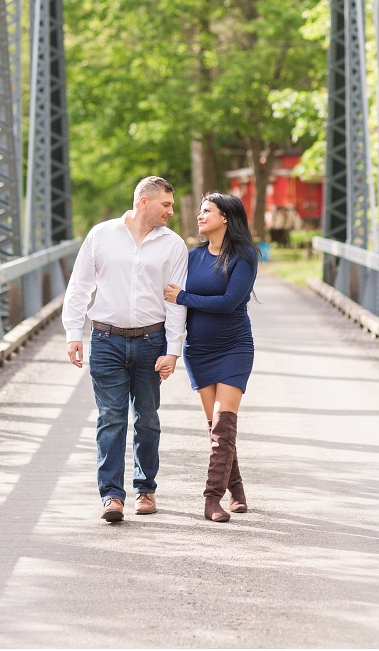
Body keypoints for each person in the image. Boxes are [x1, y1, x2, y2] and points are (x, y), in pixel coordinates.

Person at [63, 176, 188, 523]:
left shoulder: (173, 245)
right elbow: (79, 287)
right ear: (144, 202)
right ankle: (112, 496)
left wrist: (174, 350)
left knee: (147, 419)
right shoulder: (101, 235)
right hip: (106, 340)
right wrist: (74, 332)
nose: (171, 211)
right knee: (111, 418)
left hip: (152, 341)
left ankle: (145, 489)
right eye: (166, 204)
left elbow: (177, 302)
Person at [163, 192, 258, 523]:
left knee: (223, 423)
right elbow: (169, 298)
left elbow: (230, 301)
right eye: (201, 211)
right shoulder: (193, 256)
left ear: (225, 218)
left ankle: (211, 499)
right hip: (199, 351)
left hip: (234, 348)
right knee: (217, 430)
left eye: (207, 211)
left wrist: (185, 297)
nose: (200, 216)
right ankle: (238, 490)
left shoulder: (244, 257)